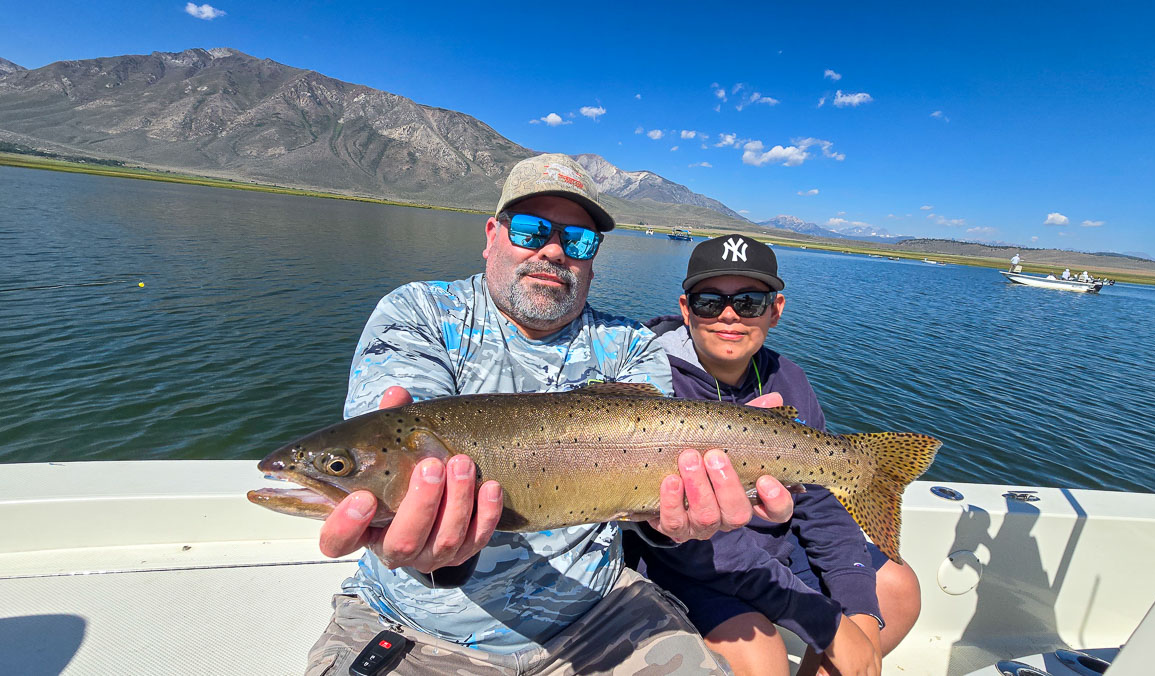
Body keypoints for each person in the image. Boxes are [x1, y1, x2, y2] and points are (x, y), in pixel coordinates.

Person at [307, 154, 796, 675]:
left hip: (604, 616)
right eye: (532, 229)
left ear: (592, 258)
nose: (554, 250)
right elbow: (390, 444)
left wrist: (672, 522)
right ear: (492, 233)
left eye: (579, 241)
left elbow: (646, 506)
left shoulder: (631, 346)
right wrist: (423, 543)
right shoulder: (419, 313)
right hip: (415, 627)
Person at [626, 234, 921, 676]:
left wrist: (855, 607)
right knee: (760, 654)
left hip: (774, 548)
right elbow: (695, 539)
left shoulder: (789, 378)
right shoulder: (649, 376)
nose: (729, 315)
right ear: (686, 309)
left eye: (749, 301)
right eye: (710, 301)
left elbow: (819, 502)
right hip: (688, 558)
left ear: (775, 310)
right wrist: (825, 622)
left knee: (896, 591)